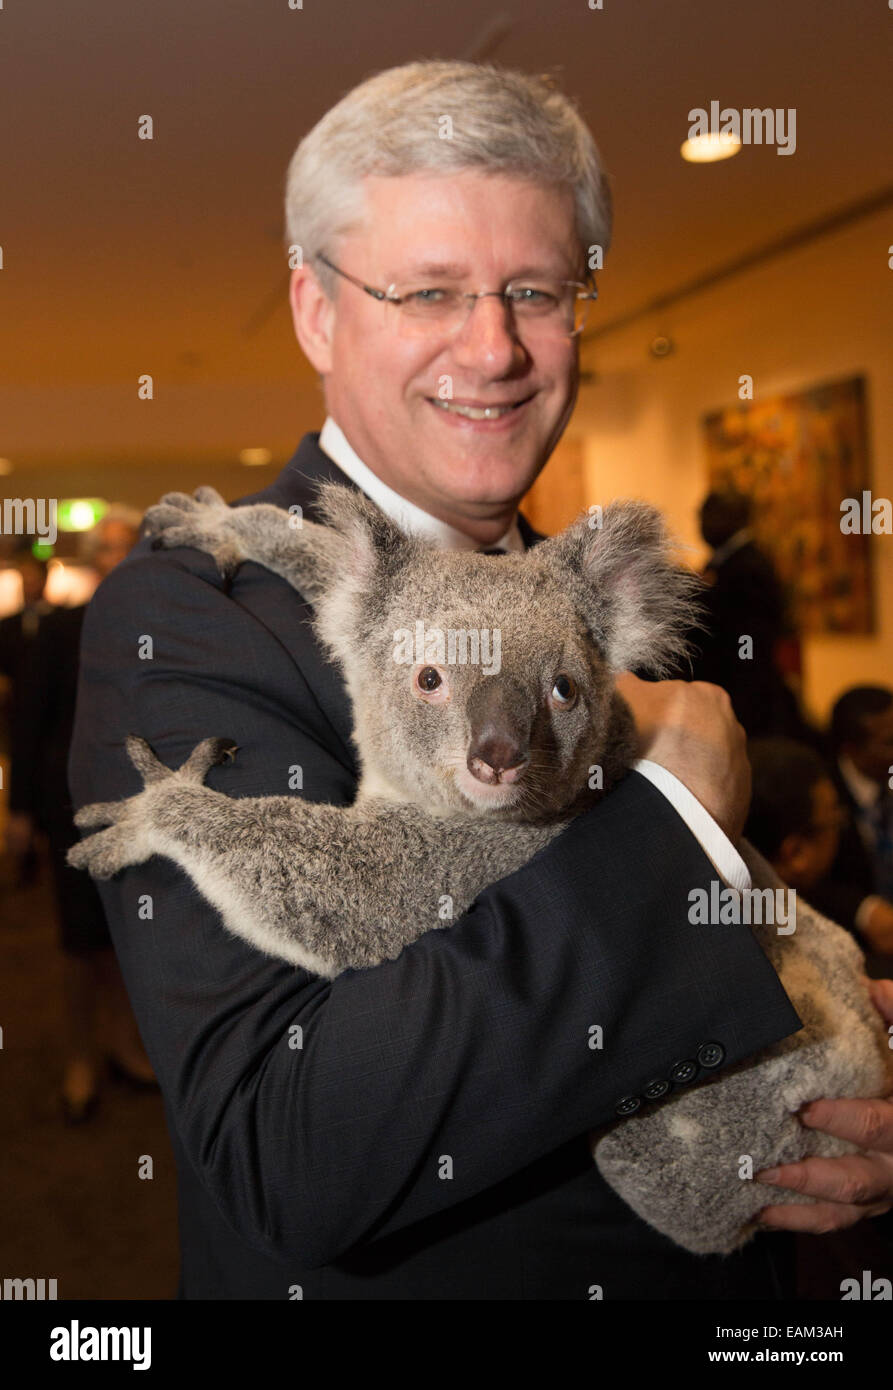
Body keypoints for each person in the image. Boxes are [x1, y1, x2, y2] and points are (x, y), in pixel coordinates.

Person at [68, 61, 893, 1300]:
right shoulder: (195, 617)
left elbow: (721, 961)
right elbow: (287, 1144)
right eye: (429, 290)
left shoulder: (572, 597)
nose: (495, 346)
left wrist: (839, 1063)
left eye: (535, 290)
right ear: (314, 309)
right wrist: (671, 820)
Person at [17, 508, 157, 1122]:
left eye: (130, 551)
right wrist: (20, 810)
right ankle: (81, 1056)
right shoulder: (59, 630)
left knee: (131, 935)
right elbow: (29, 723)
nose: (118, 562)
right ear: (96, 560)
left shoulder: (160, 629)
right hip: (69, 808)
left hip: (141, 810)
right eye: (109, 551)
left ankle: (125, 1044)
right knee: (78, 943)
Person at [688, 490, 812, 741]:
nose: (702, 524)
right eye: (701, 516)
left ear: (736, 518)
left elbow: (748, 642)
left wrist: (739, 698)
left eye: (710, 516)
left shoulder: (747, 567)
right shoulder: (725, 563)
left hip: (745, 696)